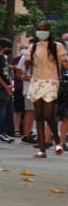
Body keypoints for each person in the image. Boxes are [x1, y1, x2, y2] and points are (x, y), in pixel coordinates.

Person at [23, 22, 67, 158]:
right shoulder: (33, 46)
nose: (42, 32)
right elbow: (26, 63)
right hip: (36, 82)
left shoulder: (57, 46)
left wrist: (64, 62)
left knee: (48, 114)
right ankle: (42, 149)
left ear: (49, 31)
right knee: (39, 116)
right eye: (39, 29)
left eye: (44, 29)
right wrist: (27, 61)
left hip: (52, 82)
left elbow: (65, 63)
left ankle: (58, 141)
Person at [0, 38, 15, 143]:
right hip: (1, 88)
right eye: (7, 47)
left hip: (7, 87)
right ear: (1, 47)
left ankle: (4, 132)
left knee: (9, 111)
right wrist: (5, 86)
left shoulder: (4, 58)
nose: (9, 49)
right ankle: (0, 132)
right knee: (2, 111)